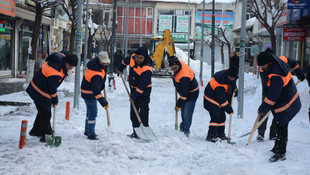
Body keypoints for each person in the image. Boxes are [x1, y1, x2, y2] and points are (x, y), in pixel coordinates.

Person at [256, 50, 301, 162]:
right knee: (278, 122)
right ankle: (277, 146)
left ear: (269, 62)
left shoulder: (276, 75)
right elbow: (292, 62)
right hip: (283, 97)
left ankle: (281, 153)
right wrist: (299, 71)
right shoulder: (278, 60)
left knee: (282, 125)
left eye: (263, 65)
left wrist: (263, 108)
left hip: (287, 101)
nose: (262, 67)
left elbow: (272, 97)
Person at [27, 52, 78, 142]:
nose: (71, 68)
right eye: (71, 66)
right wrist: (55, 100)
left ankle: (36, 130)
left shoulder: (61, 60)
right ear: (66, 63)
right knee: (46, 112)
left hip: (38, 86)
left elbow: (62, 53)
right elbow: (52, 88)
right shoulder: (55, 71)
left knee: (43, 110)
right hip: (39, 89)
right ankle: (46, 135)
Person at [117, 47, 153, 139]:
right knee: (133, 112)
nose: (138, 60)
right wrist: (120, 68)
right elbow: (125, 61)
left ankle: (144, 130)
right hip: (133, 88)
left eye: (141, 58)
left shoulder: (147, 68)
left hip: (144, 91)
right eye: (137, 57)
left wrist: (133, 96)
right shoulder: (132, 58)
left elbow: (142, 86)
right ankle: (136, 132)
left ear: (145, 57)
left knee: (144, 111)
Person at [80, 51, 110, 140]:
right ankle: (91, 134)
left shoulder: (98, 66)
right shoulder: (95, 73)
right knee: (93, 113)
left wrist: (102, 84)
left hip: (88, 91)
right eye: (103, 62)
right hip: (89, 93)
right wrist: (103, 102)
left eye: (106, 62)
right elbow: (96, 91)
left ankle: (87, 130)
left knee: (89, 112)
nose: (105, 64)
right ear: (98, 60)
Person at [204, 66, 238, 142]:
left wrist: (234, 89)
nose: (233, 79)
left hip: (217, 98)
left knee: (222, 116)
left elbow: (232, 83)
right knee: (216, 115)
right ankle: (211, 135)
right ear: (228, 75)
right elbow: (222, 100)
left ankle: (220, 134)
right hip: (210, 98)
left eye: (234, 78)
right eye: (232, 78)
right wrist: (228, 108)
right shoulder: (220, 83)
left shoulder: (230, 74)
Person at [168, 56, 199, 137]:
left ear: (178, 65)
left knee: (186, 113)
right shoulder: (178, 63)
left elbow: (184, 95)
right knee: (183, 112)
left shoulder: (185, 76)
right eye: (172, 68)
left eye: (175, 68)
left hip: (192, 93)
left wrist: (178, 104)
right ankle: (182, 130)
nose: (174, 70)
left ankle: (185, 132)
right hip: (185, 92)